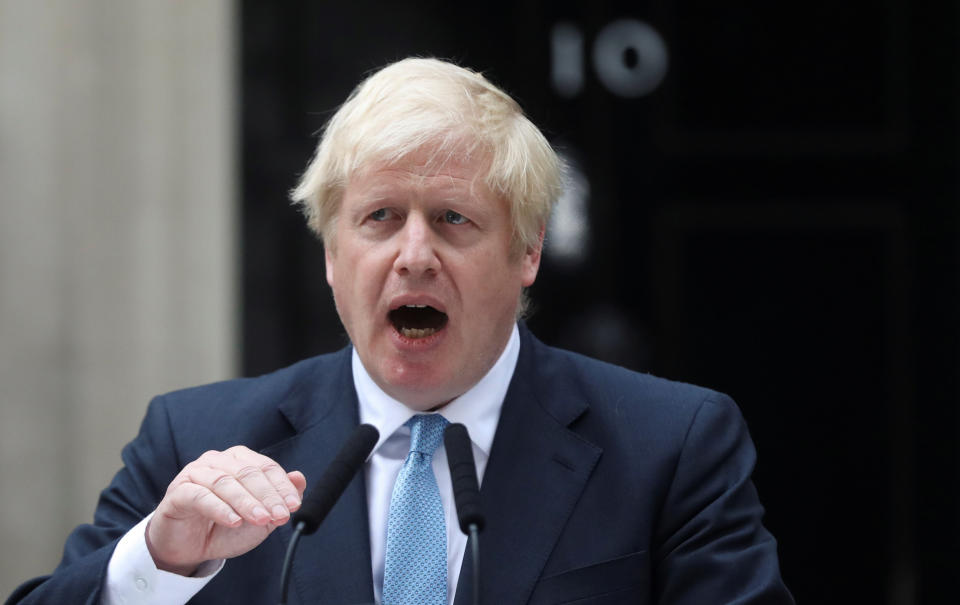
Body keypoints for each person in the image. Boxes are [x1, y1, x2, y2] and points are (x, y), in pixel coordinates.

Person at [7, 57, 793, 605]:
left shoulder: (673, 444)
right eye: (380, 218)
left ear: (527, 251)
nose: (414, 256)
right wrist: (162, 560)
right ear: (331, 252)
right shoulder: (197, 438)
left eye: (453, 219)